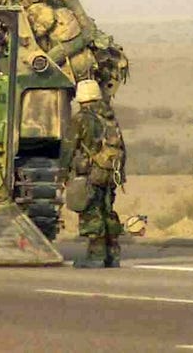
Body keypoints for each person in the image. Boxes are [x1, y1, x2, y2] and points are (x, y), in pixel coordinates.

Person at [62, 79, 126, 268]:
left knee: (91, 212)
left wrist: (63, 171)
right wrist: (120, 173)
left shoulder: (81, 118)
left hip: (90, 173)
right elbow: (122, 147)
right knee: (107, 211)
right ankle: (112, 255)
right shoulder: (109, 117)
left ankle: (96, 256)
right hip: (110, 172)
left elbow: (69, 147)